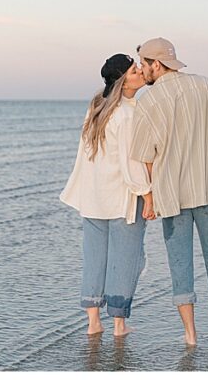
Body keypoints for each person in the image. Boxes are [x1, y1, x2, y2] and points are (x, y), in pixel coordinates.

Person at [129, 37, 208, 345]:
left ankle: (190, 335)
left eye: (143, 64)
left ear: (156, 64)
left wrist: (152, 190)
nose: (141, 70)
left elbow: (146, 157)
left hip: (171, 195)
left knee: (179, 263)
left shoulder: (148, 102)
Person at [60, 54, 153, 338]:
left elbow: (86, 158)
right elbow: (132, 162)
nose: (141, 72)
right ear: (124, 81)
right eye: (135, 70)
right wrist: (147, 195)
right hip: (122, 198)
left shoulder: (96, 108)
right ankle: (118, 325)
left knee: (94, 260)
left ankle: (93, 323)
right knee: (125, 261)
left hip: (94, 198)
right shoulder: (127, 115)